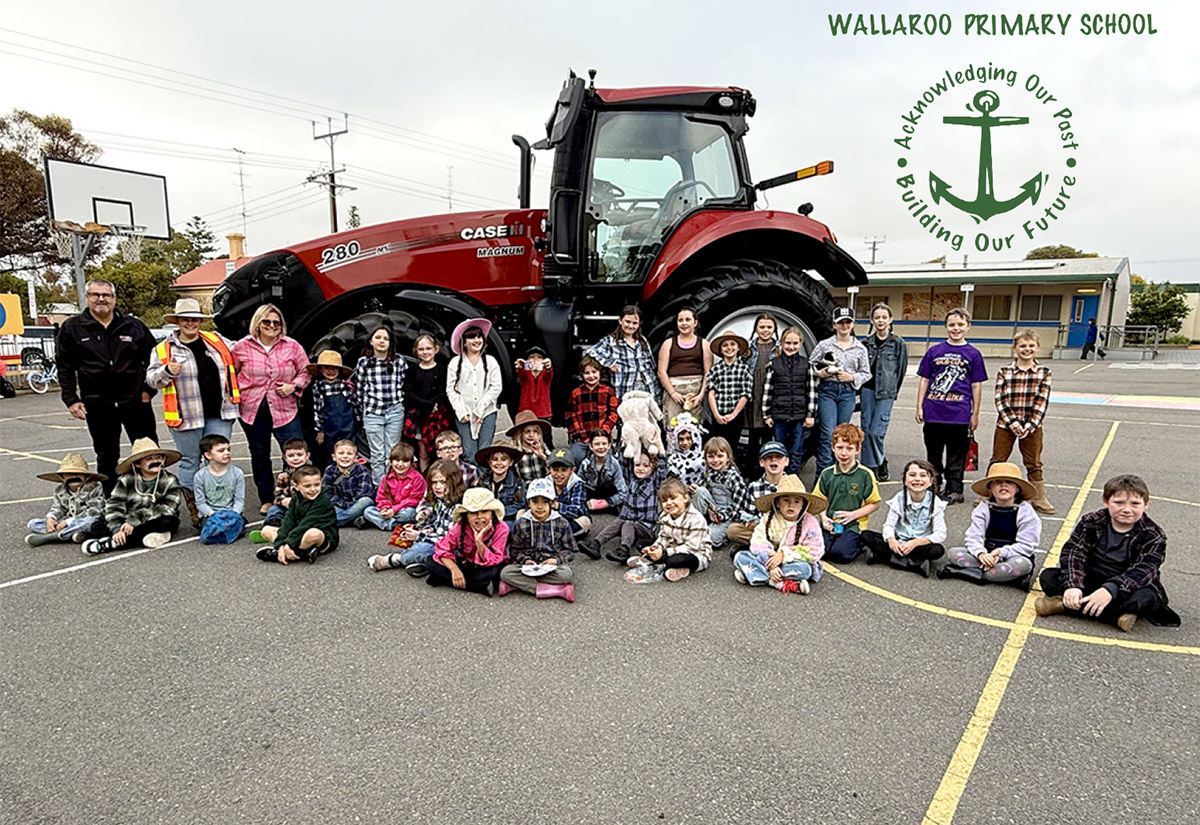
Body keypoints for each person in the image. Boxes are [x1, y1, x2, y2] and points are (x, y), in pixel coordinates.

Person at [1036, 474, 1179, 631]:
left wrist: (1110, 589)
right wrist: (1073, 585)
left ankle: (1062, 606)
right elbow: (1074, 553)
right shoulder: (1091, 521)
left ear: (1146, 505)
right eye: (1118, 502)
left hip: (1127, 586)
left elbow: (1144, 570)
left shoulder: (1153, 534)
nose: (1127, 509)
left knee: (1144, 600)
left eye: (1135, 504)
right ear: (1106, 502)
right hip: (1093, 576)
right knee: (1049, 577)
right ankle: (1117, 616)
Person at [56, 278, 158, 495]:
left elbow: (155, 359)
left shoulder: (133, 326)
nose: (101, 299)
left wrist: (149, 391)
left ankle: (153, 496)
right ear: (87, 298)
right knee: (106, 455)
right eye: (95, 295)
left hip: (135, 401)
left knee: (148, 452)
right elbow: (64, 366)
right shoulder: (72, 328)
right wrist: (71, 399)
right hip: (98, 403)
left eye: (106, 295)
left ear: (114, 298)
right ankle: (113, 500)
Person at [146, 298, 241, 527]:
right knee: (190, 461)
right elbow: (151, 379)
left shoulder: (216, 341)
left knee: (219, 459)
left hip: (219, 413)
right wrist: (166, 371)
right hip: (185, 415)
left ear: (200, 321)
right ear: (177, 322)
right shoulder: (163, 349)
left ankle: (221, 506)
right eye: (185, 319)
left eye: (195, 319)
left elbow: (242, 350)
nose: (190, 323)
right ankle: (196, 510)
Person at [231, 303, 311, 515]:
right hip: (252, 408)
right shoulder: (241, 347)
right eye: (266, 321)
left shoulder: (292, 346)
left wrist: (293, 386)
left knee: (296, 452)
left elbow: (306, 371)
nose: (272, 325)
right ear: (257, 323)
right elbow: (232, 373)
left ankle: (300, 496)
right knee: (259, 454)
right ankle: (266, 498)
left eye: (276, 322)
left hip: (285, 408)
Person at [915, 308, 987, 505]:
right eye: (952, 325)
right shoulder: (934, 351)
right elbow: (924, 380)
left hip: (959, 414)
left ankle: (955, 489)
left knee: (957, 455)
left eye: (961, 324)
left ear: (968, 327)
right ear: (946, 327)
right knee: (934, 454)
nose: (956, 329)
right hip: (934, 412)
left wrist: (975, 413)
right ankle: (934, 485)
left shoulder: (973, 354)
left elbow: (976, 385)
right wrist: (919, 406)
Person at [939, 462, 1041, 587]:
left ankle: (967, 573)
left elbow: (1027, 545)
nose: (1003, 485)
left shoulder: (1026, 511)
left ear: (1018, 488)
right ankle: (1000, 575)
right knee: (953, 554)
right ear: (990, 489)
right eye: (997, 482)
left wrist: (1001, 553)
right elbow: (974, 536)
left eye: (1009, 482)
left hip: (1013, 555)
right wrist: (981, 553)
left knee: (1023, 565)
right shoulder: (983, 508)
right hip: (986, 552)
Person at [990, 330, 1055, 514]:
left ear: (1037, 348)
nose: (1027, 349)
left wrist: (1030, 425)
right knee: (998, 459)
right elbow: (1000, 399)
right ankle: (988, 493)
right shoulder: (1005, 372)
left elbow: (1042, 401)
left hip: (1032, 426)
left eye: (1031, 346)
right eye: (1022, 346)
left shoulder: (1044, 372)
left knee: (1034, 462)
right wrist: (1013, 423)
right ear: (1015, 348)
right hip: (1006, 424)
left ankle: (1038, 496)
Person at [82, 438, 183, 556]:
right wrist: (117, 528)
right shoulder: (126, 480)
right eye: (149, 459)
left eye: (158, 457)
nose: (155, 461)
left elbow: (167, 508)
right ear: (137, 464)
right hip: (126, 520)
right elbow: (114, 504)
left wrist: (135, 520)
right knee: (97, 526)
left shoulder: (171, 480)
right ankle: (141, 538)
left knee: (170, 521)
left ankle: (112, 544)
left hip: (150, 519)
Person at [368, 459, 465, 576]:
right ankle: (421, 565)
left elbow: (449, 541)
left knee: (417, 550)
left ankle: (395, 559)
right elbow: (438, 525)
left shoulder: (458, 507)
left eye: (443, 482)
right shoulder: (441, 500)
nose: (437, 487)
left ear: (453, 482)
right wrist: (423, 529)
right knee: (409, 542)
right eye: (434, 483)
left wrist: (419, 535)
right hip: (438, 540)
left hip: (452, 549)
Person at [732, 475, 826, 594]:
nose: (791, 505)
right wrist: (772, 564)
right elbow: (758, 541)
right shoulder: (769, 517)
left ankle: (755, 575)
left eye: (796, 501)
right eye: (786, 500)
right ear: (777, 503)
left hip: (792, 562)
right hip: (768, 559)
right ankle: (778, 583)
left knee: (805, 569)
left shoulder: (810, 522)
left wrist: (783, 555)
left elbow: (814, 550)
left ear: (804, 504)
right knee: (739, 556)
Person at [810, 307, 871, 476]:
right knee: (828, 432)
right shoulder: (825, 345)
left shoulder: (860, 348)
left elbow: (866, 373)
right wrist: (820, 373)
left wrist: (851, 377)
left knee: (842, 435)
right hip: (827, 390)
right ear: (834, 324)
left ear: (852, 324)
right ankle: (822, 477)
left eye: (847, 322)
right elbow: (811, 363)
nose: (844, 325)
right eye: (841, 322)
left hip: (847, 393)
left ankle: (839, 474)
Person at [861, 459, 947, 578]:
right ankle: (915, 564)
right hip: (898, 542)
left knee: (938, 550)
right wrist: (892, 540)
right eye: (912, 475)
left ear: (930, 481)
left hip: (919, 545)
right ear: (905, 480)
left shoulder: (936, 503)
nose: (917, 479)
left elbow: (940, 534)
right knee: (866, 535)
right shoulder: (899, 498)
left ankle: (884, 557)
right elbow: (889, 525)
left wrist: (915, 543)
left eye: (923, 476)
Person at [499, 478, 577, 602]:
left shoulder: (562, 522)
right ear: (529, 503)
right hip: (528, 567)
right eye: (535, 502)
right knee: (505, 573)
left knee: (567, 574)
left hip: (551, 567)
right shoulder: (521, 522)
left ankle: (516, 585)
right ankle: (555, 590)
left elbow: (570, 550)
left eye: (544, 502)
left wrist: (555, 560)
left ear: (551, 503)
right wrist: (525, 560)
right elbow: (514, 550)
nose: (540, 507)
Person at [814, 423, 882, 563]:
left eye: (849, 448)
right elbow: (819, 500)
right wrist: (824, 518)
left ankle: (859, 543)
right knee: (822, 552)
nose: (843, 453)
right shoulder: (827, 473)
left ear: (857, 449)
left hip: (854, 524)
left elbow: (875, 503)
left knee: (842, 555)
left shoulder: (865, 474)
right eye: (839, 448)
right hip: (831, 523)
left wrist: (853, 515)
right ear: (833, 448)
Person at [426, 487, 510, 596]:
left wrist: (479, 542)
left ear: (492, 513)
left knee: (493, 572)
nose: (479, 517)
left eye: (484, 511)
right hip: (466, 564)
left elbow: (496, 559)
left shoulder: (502, 528)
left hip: (487, 565)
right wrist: (454, 569)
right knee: (430, 562)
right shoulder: (460, 527)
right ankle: (478, 586)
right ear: (466, 515)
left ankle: (446, 580)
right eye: (474, 513)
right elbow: (442, 549)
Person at [626, 477, 712, 582]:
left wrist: (664, 553)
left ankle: (675, 567)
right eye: (664, 500)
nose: (669, 503)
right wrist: (655, 548)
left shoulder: (696, 519)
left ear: (686, 498)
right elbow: (663, 537)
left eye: (673, 498)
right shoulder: (665, 515)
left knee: (675, 560)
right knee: (642, 543)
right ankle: (651, 558)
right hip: (672, 548)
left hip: (695, 554)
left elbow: (692, 547)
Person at [352, 325, 407, 487]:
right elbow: (360, 390)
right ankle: (379, 488)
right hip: (373, 413)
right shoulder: (364, 363)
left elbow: (403, 384)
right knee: (377, 454)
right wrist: (363, 413)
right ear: (371, 341)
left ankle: (393, 487)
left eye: (386, 338)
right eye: (378, 338)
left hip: (395, 411)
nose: (382, 341)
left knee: (392, 453)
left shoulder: (399, 361)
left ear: (390, 343)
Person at [582, 452, 661, 564]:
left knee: (628, 523)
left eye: (646, 465)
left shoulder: (654, 482)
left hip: (647, 528)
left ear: (653, 467)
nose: (640, 468)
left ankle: (624, 549)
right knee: (620, 521)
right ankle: (596, 543)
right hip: (631, 522)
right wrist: (628, 444)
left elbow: (663, 468)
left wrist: (658, 444)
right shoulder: (632, 480)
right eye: (637, 465)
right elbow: (624, 460)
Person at [251, 465, 338, 565]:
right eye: (307, 486)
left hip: (323, 535)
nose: (313, 489)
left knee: (313, 534)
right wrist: (281, 544)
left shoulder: (323, 501)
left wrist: (289, 544)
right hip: (298, 532)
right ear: (296, 486)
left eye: (317, 485)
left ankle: (283, 554)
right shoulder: (296, 498)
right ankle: (301, 553)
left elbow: (306, 524)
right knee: (266, 530)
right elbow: (288, 520)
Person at [761, 326, 818, 477]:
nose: (791, 347)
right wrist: (766, 415)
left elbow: (811, 391)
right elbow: (767, 391)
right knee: (780, 449)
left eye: (795, 343)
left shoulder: (807, 364)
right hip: (779, 415)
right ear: (781, 343)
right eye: (787, 343)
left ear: (800, 344)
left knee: (797, 450)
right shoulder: (773, 364)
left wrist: (810, 414)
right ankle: (780, 479)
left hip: (799, 416)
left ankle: (793, 479)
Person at [859, 302, 906, 481]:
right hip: (868, 391)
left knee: (876, 432)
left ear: (890, 320)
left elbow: (900, 371)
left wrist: (893, 391)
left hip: (886, 393)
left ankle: (878, 462)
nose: (880, 321)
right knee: (866, 430)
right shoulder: (866, 343)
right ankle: (867, 469)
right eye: (877, 317)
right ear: (872, 320)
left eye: (884, 317)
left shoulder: (898, 344)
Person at [445, 319, 503, 461]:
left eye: (479, 337)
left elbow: (496, 387)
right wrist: (461, 411)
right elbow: (451, 389)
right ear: (464, 341)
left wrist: (481, 408)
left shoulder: (490, 361)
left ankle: (484, 481)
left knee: (485, 450)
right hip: (465, 414)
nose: (476, 340)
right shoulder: (455, 363)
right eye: (471, 337)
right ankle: (473, 481)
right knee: (469, 451)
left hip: (487, 413)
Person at [25, 454, 107, 546]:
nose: (73, 477)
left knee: (90, 523)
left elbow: (95, 511)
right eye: (68, 474)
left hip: (84, 520)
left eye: (77, 474)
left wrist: (69, 522)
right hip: (66, 523)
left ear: (86, 476)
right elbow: (58, 507)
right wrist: (51, 518)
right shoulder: (60, 490)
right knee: (33, 523)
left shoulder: (95, 488)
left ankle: (53, 537)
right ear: (62, 477)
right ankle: (73, 533)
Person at [584, 305, 660, 402]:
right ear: (620, 320)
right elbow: (591, 351)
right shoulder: (610, 341)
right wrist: (609, 363)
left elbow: (651, 364)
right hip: (625, 388)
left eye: (635, 323)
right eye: (627, 321)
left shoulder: (642, 341)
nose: (631, 326)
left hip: (647, 386)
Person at [705, 330, 753, 471]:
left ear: (738, 348)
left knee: (732, 447)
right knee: (718, 446)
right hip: (719, 414)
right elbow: (711, 393)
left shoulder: (744, 370)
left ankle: (731, 472)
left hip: (735, 415)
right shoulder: (716, 370)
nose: (729, 348)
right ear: (720, 350)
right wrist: (716, 414)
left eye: (732, 344)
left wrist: (733, 414)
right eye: (725, 345)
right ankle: (716, 473)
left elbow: (745, 395)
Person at [727, 441, 790, 549]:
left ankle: (764, 546)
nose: (773, 460)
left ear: (786, 461)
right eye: (768, 457)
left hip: (786, 529)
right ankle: (769, 545)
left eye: (778, 457)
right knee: (732, 530)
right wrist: (749, 521)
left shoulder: (792, 484)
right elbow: (749, 512)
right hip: (763, 528)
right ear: (762, 462)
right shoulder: (754, 486)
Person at [690, 436, 750, 549]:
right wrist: (694, 490)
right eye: (711, 457)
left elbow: (738, 508)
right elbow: (705, 496)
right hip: (713, 511)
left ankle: (721, 536)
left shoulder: (734, 478)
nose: (715, 460)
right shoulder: (709, 474)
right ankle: (696, 522)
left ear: (728, 457)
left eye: (720, 456)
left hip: (729, 516)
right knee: (699, 490)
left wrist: (721, 516)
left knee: (709, 538)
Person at [402, 334, 451, 470]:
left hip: (436, 416)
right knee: (423, 452)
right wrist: (428, 405)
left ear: (436, 349)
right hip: (419, 415)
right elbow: (409, 393)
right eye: (421, 349)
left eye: (428, 348)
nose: (425, 352)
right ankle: (425, 482)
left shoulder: (442, 370)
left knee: (439, 450)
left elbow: (443, 392)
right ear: (416, 352)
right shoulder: (412, 371)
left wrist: (435, 404)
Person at [657, 306, 713, 423]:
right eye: (680, 320)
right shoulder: (668, 344)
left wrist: (701, 395)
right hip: (674, 391)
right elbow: (661, 371)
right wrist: (673, 393)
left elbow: (708, 372)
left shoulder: (704, 344)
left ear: (695, 323)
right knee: (673, 428)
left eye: (688, 320)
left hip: (695, 392)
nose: (684, 323)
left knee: (694, 428)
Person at [193, 433, 246, 545]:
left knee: (238, 524)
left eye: (228, 449)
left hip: (231, 513)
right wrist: (213, 514)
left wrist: (234, 514)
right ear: (208, 455)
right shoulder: (200, 476)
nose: (227, 453)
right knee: (211, 527)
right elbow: (200, 502)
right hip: (211, 514)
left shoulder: (237, 473)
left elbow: (239, 500)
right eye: (221, 450)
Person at [565, 355, 620, 465]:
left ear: (599, 373)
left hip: (602, 437)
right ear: (582, 375)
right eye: (587, 373)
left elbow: (614, 413)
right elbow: (570, 415)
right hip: (582, 437)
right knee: (575, 458)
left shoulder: (608, 391)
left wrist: (604, 430)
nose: (591, 376)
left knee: (608, 463)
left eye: (594, 372)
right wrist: (578, 433)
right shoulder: (576, 393)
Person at [364, 441, 426, 531]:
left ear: (411, 463)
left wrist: (394, 510)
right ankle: (392, 524)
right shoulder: (387, 478)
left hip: (404, 510)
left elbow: (414, 500)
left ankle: (378, 522)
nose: (400, 464)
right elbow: (381, 497)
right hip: (390, 509)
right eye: (397, 460)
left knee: (408, 513)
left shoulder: (417, 478)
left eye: (405, 461)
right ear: (391, 462)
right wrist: (385, 508)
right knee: (368, 511)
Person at [307, 350, 356, 461]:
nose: (330, 371)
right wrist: (319, 430)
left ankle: (349, 475)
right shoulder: (318, 387)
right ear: (320, 370)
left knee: (348, 452)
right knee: (331, 454)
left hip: (348, 426)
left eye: (334, 368)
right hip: (329, 428)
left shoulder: (345, 386)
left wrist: (360, 423)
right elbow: (317, 409)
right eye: (326, 368)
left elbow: (355, 404)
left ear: (339, 370)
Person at [744, 314, 779, 469]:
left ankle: (767, 471)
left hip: (771, 394)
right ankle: (753, 470)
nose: (765, 330)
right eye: (762, 327)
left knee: (768, 435)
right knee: (753, 436)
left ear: (774, 329)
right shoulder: (749, 349)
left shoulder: (778, 349)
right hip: (754, 393)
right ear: (756, 329)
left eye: (769, 327)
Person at [321, 439, 375, 527]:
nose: (345, 456)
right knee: (325, 505)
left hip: (356, 503)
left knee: (366, 501)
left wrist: (350, 505)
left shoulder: (362, 470)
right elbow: (326, 492)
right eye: (341, 453)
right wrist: (343, 504)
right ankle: (351, 518)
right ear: (334, 457)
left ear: (355, 458)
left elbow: (364, 492)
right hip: (339, 504)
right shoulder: (330, 470)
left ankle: (338, 521)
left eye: (349, 454)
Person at [475, 438, 525, 524]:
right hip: (486, 519)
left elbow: (520, 505)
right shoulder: (483, 482)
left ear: (511, 462)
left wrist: (498, 511)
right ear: (489, 462)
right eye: (495, 459)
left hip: (508, 520)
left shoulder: (518, 483)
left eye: (503, 459)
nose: (499, 463)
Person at [579, 430, 627, 516]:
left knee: (609, 487)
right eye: (597, 444)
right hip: (591, 492)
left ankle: (606, 507)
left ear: (609, 445)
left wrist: (605, 503)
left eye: (604, 444)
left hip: (607, 494)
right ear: (591, 446)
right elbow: (578, 484)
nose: (601, 447)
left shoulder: (614, 464)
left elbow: (623, 493)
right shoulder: (586, 463)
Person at [265, 439, 311, 527]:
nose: (296, 458)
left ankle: (297, 525)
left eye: (300, 455)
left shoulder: (312, 474)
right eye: (291, 456)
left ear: (307, 455)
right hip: (288, 507)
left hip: (307, 506)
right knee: (273, 509)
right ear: (285, 458)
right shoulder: (283, 476)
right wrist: (282, 501)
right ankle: (274, 525)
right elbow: (277, 496)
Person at [546, 449, 590, 539]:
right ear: (549, 470)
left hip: (569, 520)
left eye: (564, 470)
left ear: (572, 470)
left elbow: (578, 510)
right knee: (522, 514)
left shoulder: (577, 483)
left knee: (585, 522)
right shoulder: (545, 482)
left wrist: (558, 506)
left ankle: (551, 537)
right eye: (555, 470)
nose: (559, 474)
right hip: (549, 519)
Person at [508, 409, 552, 484]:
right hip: (525, 487)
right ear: (520, 434)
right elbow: (512, 474)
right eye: (527, 431)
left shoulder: (542, 447)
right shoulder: (516, 451)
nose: (531, 435)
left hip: (543, 486)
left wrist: (542, 456)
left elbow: (554, 465)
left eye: (535, 431)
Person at [665, 412, 706, 488]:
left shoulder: (703, 456)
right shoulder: (673, 459)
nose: (685, 442)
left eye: (688, 438)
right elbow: (673, 481)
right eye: (681, 439)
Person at [516, 345, 553, 419]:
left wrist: (548, 366)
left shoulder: (545, 375)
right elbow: (521, 373)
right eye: (532, 357)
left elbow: (549, 373)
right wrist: (521, 366)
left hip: (543, 413)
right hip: (526, 413)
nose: (535, 359)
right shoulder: (526, 374)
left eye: (539, 357)